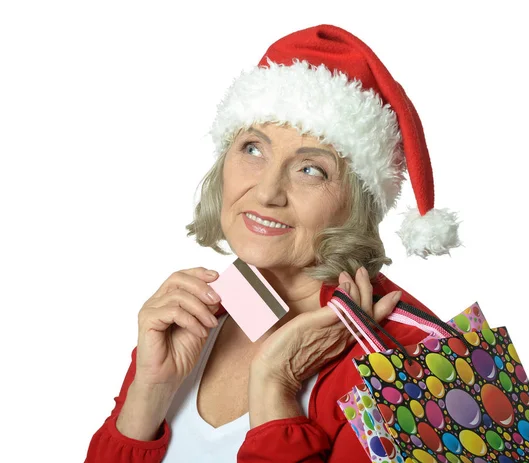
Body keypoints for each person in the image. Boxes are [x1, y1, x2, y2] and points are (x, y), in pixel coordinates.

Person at [84, 24, 462, 462]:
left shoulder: (406, 360)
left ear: (359, 202)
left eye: (310, 170)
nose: (266, 192)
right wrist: (148, 395)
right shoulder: (200, 314)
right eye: (252, 149)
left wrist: (275, 389)